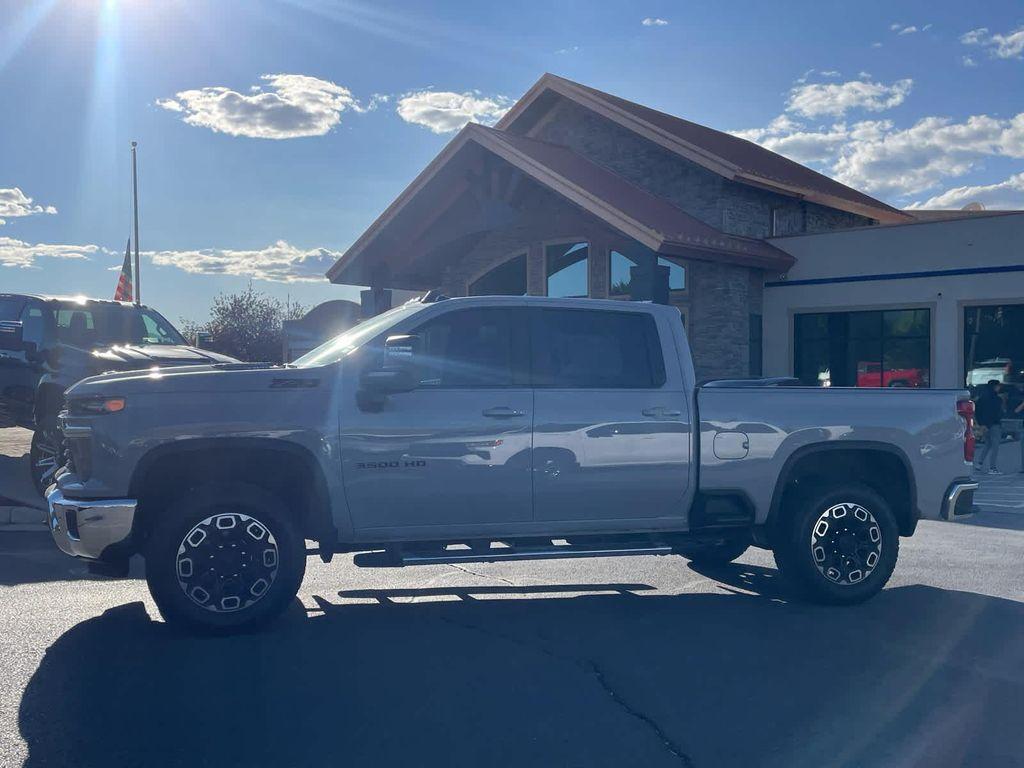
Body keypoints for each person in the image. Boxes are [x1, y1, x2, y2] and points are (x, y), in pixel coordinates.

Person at [974, 380, 1005, 474]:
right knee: (995, 446)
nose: (999, 387)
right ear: (995, 387)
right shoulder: (997, 399)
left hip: (984, 425)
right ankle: (992, 468)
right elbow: (997, 413)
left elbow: (977, 411)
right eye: (998, 386)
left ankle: (979, 463)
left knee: (988, 444)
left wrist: (981, 424)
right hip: (994, 425)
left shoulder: (981, 398)